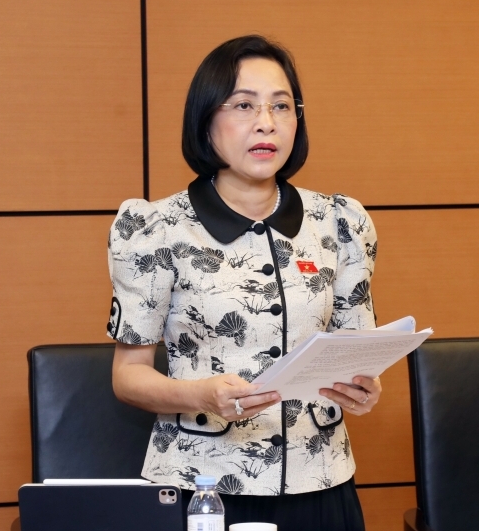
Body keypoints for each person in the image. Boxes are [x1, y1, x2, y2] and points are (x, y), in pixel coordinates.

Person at [106, 35, 380, 531]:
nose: (266, 122)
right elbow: (128, 376)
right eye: (244, 105)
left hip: (322, 482)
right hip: (204, 488)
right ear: (205, 119)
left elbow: (355, 350)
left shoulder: (339, 223)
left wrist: (363, 387)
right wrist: (201, 396)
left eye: (281, 105)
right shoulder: (157, 229)